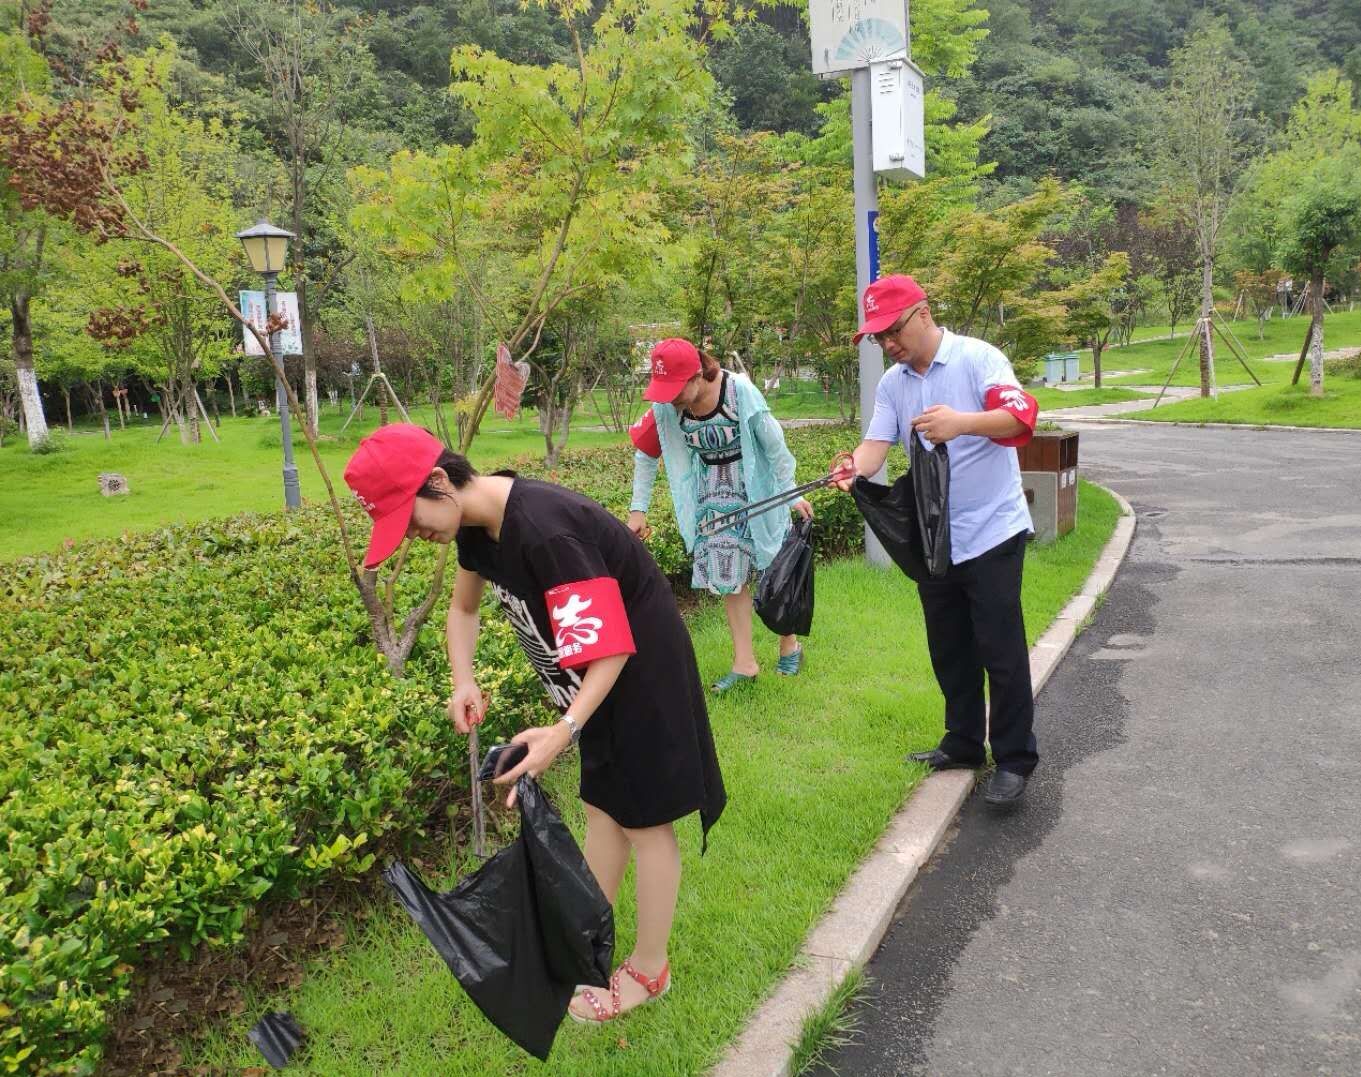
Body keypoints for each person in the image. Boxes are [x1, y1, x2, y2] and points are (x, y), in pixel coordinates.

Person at [343, 423, 725, 1023]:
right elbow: (463, 607)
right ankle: (584, 946)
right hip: (592, 680)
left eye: (409, 516)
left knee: (646, 823)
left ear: (439, 482)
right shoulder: (476, 528)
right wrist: (463, 678)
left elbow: (613, 649)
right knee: (603, 805)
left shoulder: (545, 532)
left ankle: (651, 969)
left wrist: (564, 730)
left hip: (641, 672)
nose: (412, 535)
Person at [838, 275, 1042, 805]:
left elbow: (1021, 418)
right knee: (949, 645)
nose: (888, 345)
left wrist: (962, 422)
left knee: (999, 647)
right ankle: (963, 742)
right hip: (935, 538)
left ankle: (1015, 758)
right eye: (879, 337)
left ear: (923, 314)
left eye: (893, 331)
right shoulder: (894, 384)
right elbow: (875, 446)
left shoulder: (978, 359)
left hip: (993, 529)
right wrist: (852, 468)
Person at [626, 338, 813, 693]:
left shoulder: (739, 390)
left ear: (697, 374)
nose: (669, 398)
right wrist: (638, 510)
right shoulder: (667, 405)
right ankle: (745, 663)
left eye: (675, 388)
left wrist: (792, 491)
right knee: (728, 574)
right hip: (712, 493)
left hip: (756, 484)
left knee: (775, 569)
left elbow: (774, 443)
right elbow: (645, 455)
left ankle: (789, 642)